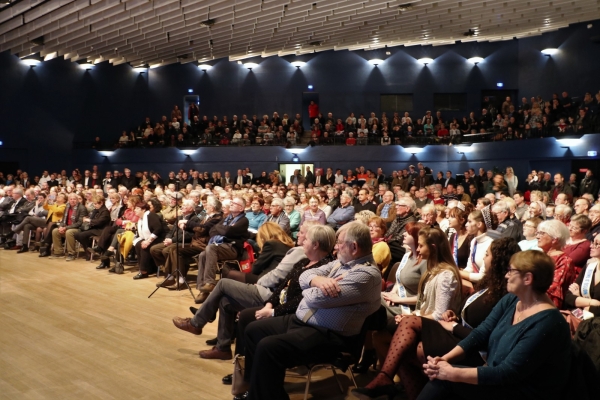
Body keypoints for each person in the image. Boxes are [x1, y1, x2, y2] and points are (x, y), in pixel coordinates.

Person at [354, 238, 520, 400]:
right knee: (403, 335)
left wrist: (454, 326)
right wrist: (455, 316)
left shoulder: (504, 295)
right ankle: (390, 380)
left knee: (408, 344)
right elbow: (471, 315)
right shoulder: (488, 285)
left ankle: (390, 380)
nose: (484, 257)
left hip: (474, 349)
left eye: (488, 254)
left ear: (498, 260)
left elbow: (485, 336)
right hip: (458, 333)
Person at [242, 221, 382, 400]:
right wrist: (317, 281)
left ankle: (262, 394)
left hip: (330, 335)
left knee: (269, 347)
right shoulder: (342, 262)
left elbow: (315, 298)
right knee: (254, 330)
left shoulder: (366, 275)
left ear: (354, 247)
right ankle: (259, 390)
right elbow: (303, 275)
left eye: (339, 243)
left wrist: (310, 285)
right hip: (304, 320)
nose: (336, 247)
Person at [418, 251, 571, 400]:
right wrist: (444, 360)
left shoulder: (549, 323)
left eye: (511, 271)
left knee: (444, 380)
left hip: (522, 391)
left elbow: (508, 373)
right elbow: (480, 334)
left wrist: (452, 373)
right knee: (440, 376)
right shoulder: (512, 299)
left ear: (528, 278)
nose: (506, 275)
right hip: (499, 381)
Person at [194, 196, 250, 303]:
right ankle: (203, 289)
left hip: (233, 249)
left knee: (210, 248)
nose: (231, 204)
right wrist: (224, 230)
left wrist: (223, 230)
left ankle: (210, 282)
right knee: (202, 254)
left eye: (234, 203)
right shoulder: (227, 218)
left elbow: (227, 232)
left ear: (241, 208)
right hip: (221, 246)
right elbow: (212, 231)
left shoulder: (243, 220)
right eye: (232, 202)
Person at [224, 222, 295, 284]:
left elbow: (255, 269)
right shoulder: (287, 245)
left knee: (229, 272)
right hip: (279, 280)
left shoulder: (271, 244)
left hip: (267, 280)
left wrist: (256, 262)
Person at [535, 219, 576, 309]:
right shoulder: (538, 256)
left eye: (542, 233)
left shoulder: (564, 261)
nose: (537, 237)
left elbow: (553, 290)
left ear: (555, 239)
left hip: (546, 305)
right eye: (537, 233)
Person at [565, 234, 600, 317]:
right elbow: (569, 297)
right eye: (592, 242)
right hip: (580, 317)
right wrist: (591, 302)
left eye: (596, 243)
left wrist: (580, 299)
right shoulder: (589, 266)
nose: (591, 246)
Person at [131, 201, 166, 279]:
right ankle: (148, 268)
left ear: (143, 210)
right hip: (150, 237)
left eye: (137, 208)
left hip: (160, 238)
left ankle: (144, 271)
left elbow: (158, 229)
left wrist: (148, 241)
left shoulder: (151, 216)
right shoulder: (141, 219)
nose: (135, 210)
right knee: (138, 244)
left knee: (144, 246)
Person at [460, 209, 494, 284]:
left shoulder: (490, 243)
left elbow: (482, 276)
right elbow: (470, 267)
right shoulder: (474, 241)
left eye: (469, 221)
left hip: (486, 285)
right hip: (477, 284)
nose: (466, 225)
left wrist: (458, 273)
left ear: (479, 224)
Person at [448, 204, 475, 269]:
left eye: (452, 217)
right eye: (449, 216)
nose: (449, 219)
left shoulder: (470, 238)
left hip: (465, 273)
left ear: (462, 220)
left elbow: (472, 263)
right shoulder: (453, 236)